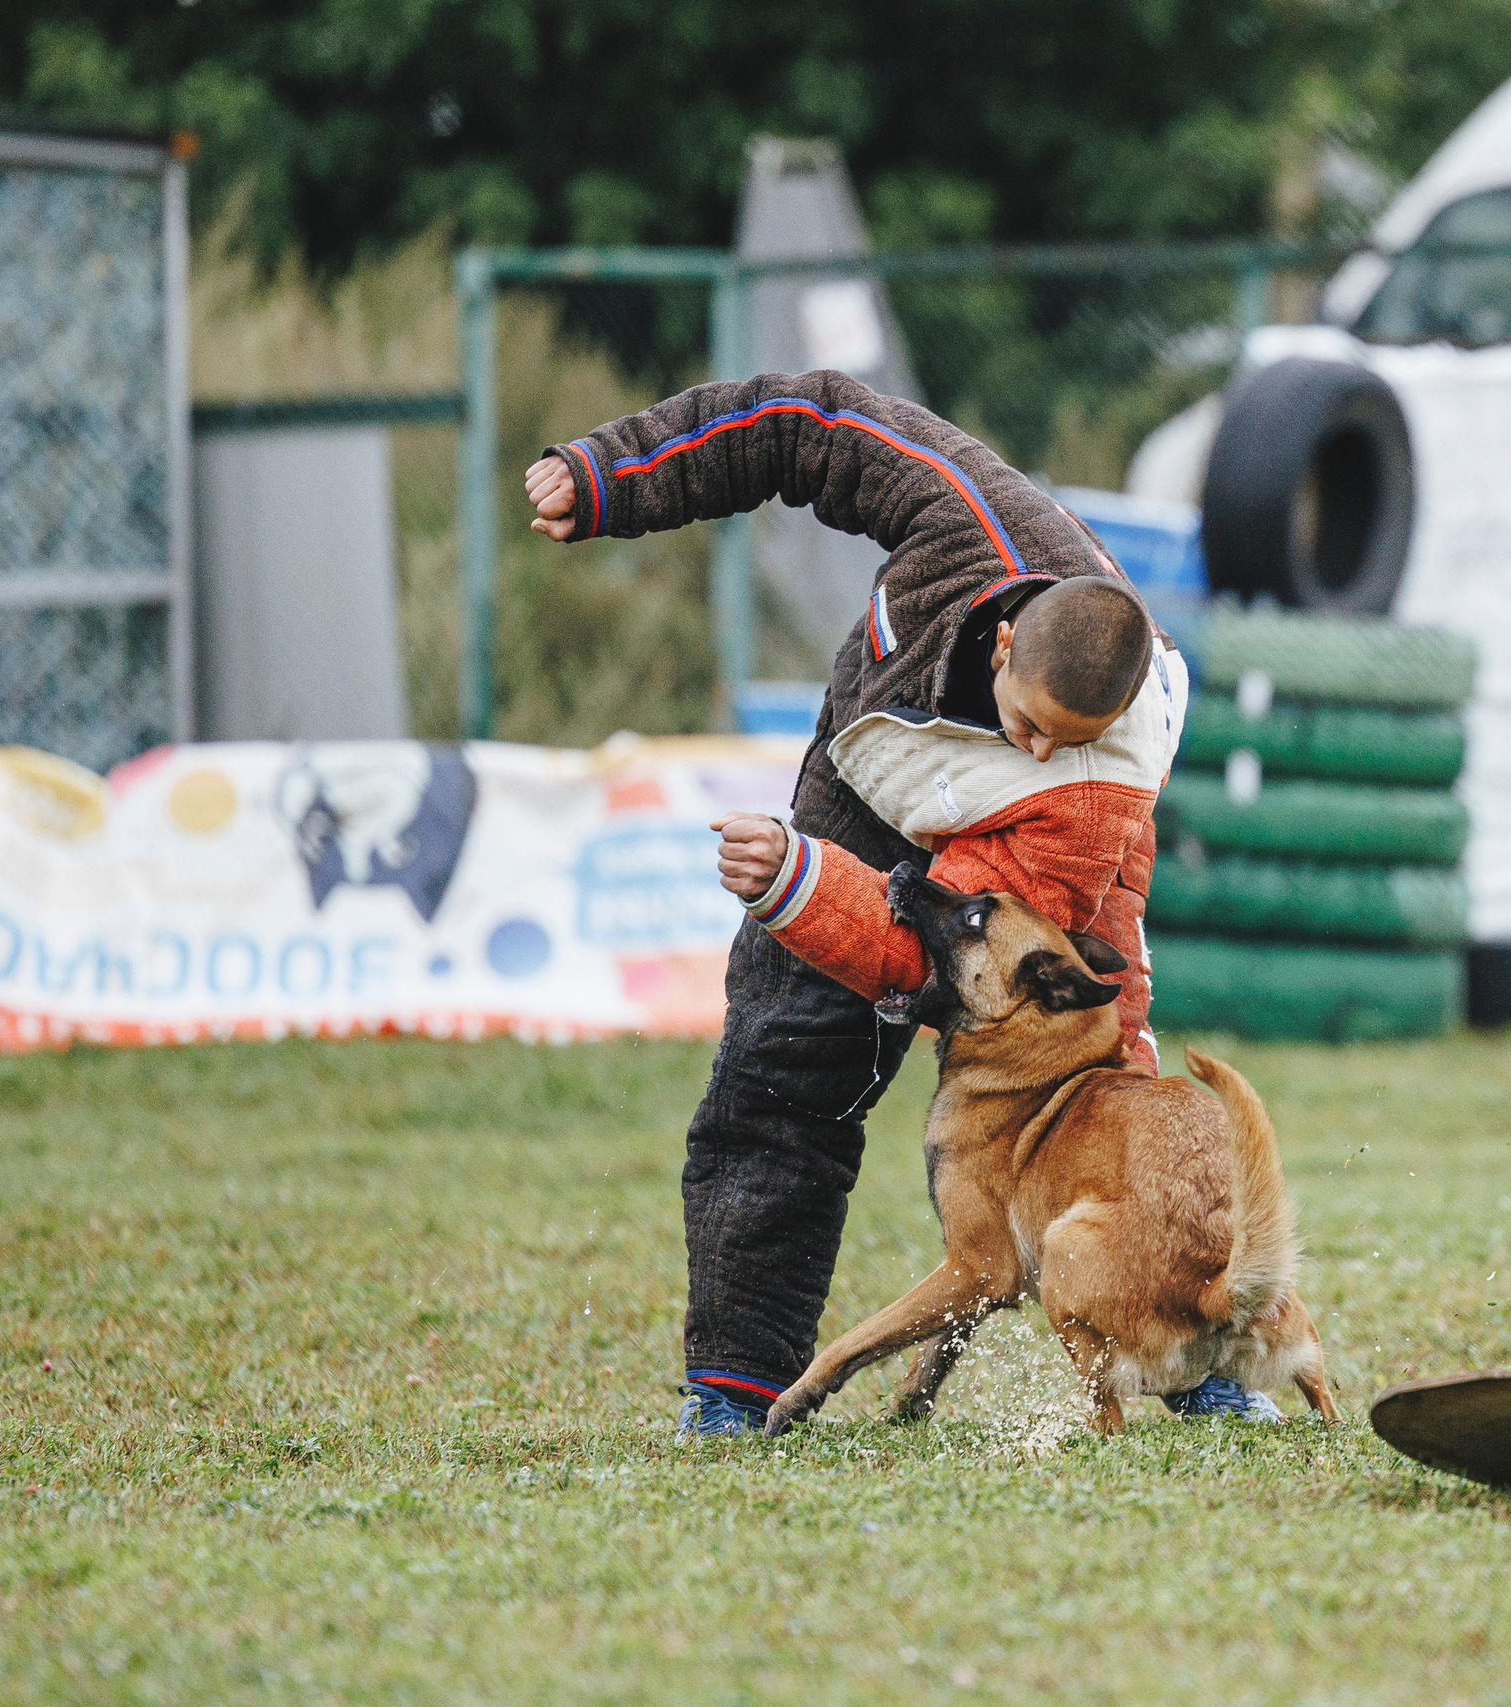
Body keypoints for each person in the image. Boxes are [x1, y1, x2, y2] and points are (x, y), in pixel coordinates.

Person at [523, 370, 1282, 1436]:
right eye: (1032, 724)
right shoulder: (959, 511)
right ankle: (737, 1388)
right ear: (1006, 642)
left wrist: (797, 885)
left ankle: (1187, 1347)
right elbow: (800, 423)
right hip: (866, 780)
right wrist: (614, 472)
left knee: (1112, 1086)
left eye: (1070, 735)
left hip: (1033, 875)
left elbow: (941, 962)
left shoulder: (1089, 778)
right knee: (786, 1066)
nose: (1040, 747)